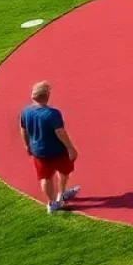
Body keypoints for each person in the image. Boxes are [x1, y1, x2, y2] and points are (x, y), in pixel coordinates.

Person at [19, 82, 79, 215]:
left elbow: (23, 129)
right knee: (63, 172)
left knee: (45, 177)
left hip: (38, 152)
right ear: (46, 96)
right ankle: (61, 194)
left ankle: (51, 203)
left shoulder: (25, 112)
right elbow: (60, 132)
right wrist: (70, 147)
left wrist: (27, 145)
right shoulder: (52, 114)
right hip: (57, 150)